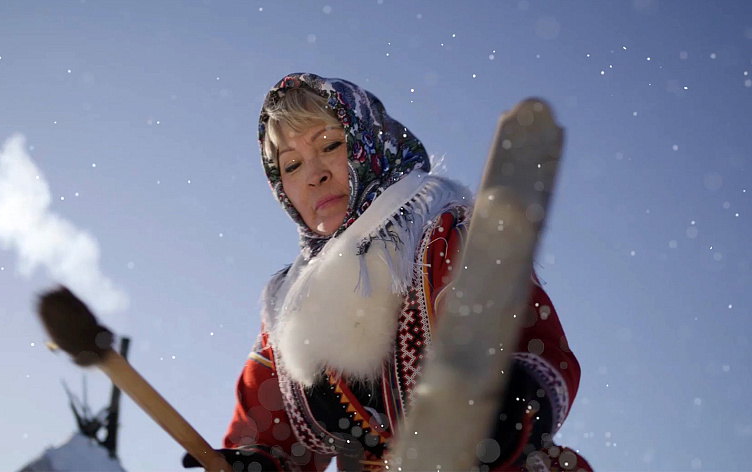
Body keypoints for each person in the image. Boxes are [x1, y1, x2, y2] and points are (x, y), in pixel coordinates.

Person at [183, 73, 592, 471]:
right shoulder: (289, 308)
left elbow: (539, 350)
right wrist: (256, 462)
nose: (314, 175)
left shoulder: (446, 237)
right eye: (291, 166)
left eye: (330, 145)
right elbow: (272, 432)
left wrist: (509, 411)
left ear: (370, 144)